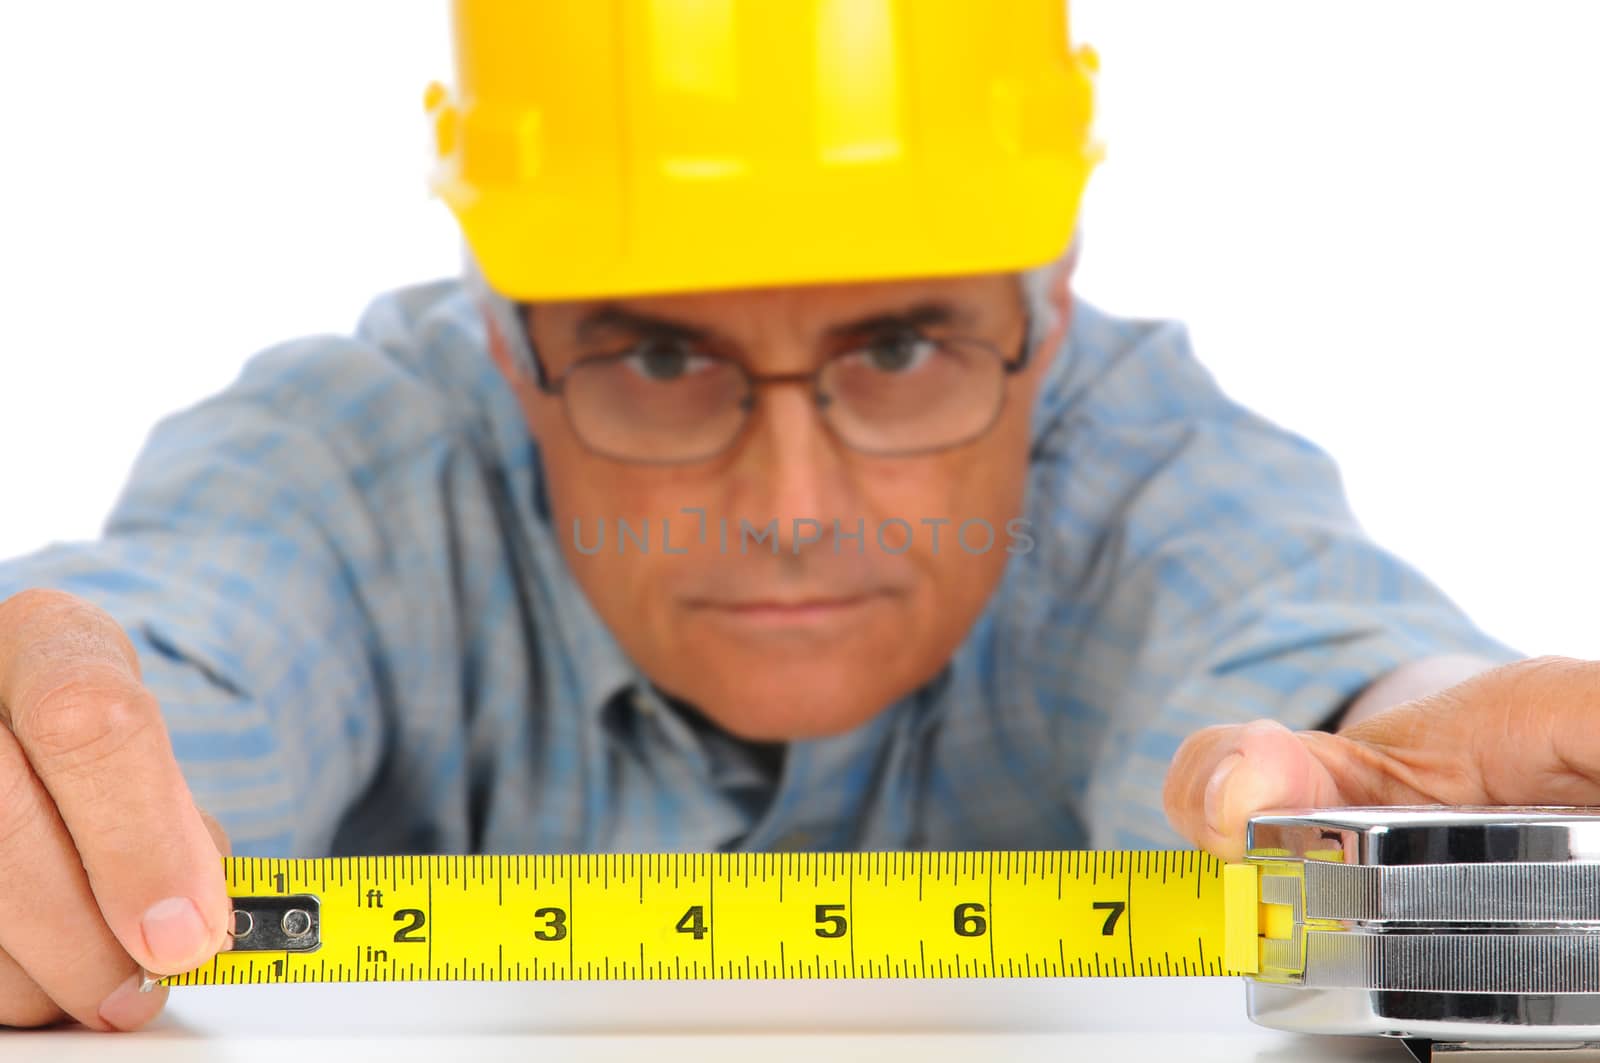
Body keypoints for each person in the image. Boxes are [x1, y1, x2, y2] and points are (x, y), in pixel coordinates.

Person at [0, 0, 1589, 1036]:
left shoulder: (1148, 466)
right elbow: (174, 667)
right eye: (659, 354)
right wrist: (64, 787)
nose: (791, 511)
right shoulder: (347, 462)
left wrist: (1418, 779)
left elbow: (1307, 652)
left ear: (1053, 302)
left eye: (901, 348)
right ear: (505, 335)